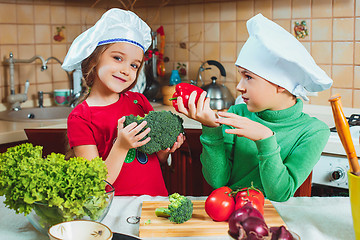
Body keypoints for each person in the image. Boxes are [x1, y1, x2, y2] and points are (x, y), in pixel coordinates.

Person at [176, 14, 333, 202]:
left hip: (274, 223)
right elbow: (217, 182)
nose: (239, 86)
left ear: (280, 84)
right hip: (228, 215)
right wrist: (212, 129)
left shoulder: (314, 131)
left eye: (248, 77)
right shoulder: (236, 114)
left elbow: (280, 194)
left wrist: (265, 139)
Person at [62, 8, 185, 196]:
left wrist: (166, 148)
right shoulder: (81, 117)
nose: (126, 70)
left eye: (134, 65)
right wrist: (121, 146)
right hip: (115, 209)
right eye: (118, 58)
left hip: (155, 201)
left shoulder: (139, 102)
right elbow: (96, 183)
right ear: (94, 58)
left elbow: (156, 157)